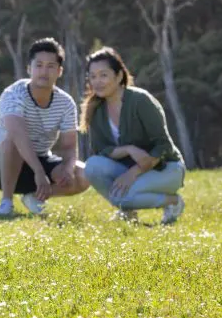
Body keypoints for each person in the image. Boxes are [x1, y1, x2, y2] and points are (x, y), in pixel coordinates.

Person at [0, 37, 90, 216]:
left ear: (59, 71)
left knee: (85, 174)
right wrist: (39, 173)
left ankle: (34, 196)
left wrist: (68, 169)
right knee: (11, 140)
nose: (44, 72)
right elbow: (17, 135)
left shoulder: (66, 103)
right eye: (38, 65)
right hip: (1, 164)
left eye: (50, 66)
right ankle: (6, 202)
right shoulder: (13, 94)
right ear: (29, 69)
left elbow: (70, 148)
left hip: (40, 158)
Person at [79, 47, 186, 224]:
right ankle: (128, 212)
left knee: (124, 198)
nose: (97, 81)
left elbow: (163, 146)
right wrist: (129, 150)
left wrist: (134, 172)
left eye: (103, 75)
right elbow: (101, 150)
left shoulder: (140, 100)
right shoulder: (96, 109)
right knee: (92, 166)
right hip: (129, 168)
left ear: (119, 76)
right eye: (93, 76)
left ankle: (173, 201)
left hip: (166, 169)